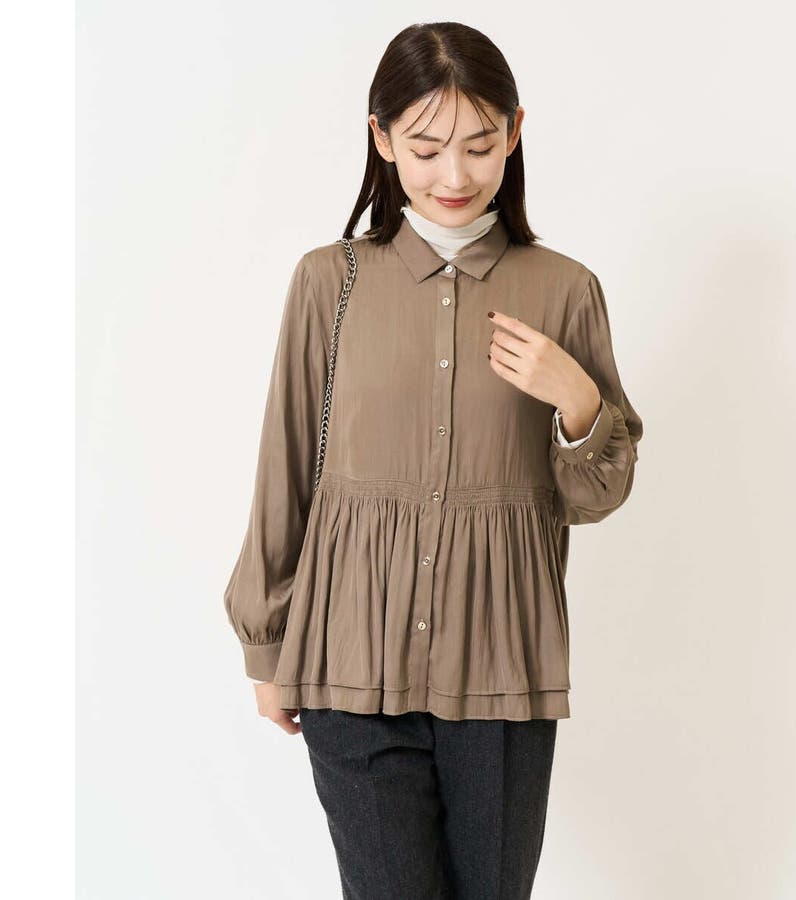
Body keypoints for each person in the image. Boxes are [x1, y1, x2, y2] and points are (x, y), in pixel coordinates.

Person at [224, 20, 644, 900]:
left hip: (504, 669)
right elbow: (285, 467)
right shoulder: (328, 282)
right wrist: (266, 644)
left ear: (515, 134)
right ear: (381, 139)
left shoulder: (564, 289)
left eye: (479, 146)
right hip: (348, 665)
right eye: (425, 148)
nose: (454, 175)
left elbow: (595, 494)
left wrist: (576, 397)